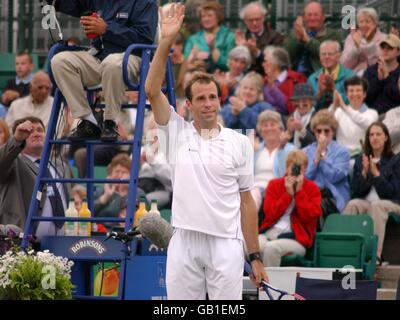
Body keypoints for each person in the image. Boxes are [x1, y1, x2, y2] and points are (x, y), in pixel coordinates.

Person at [145, 4, 267, 300]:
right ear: (190, 105)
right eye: (200, 98)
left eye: (213, 97)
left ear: (219, 100)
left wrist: (255, 256)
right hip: (183, 241)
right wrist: (165, 42)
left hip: (226, 243)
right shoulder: (176, 133)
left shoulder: (240, 141)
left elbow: (247, 204)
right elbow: (151, 90)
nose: (208, 103)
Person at [49, 0, 158, 141]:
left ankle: (110, 123)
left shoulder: (145, 2)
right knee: (59, 61)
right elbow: (75, 5)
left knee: (112, 63)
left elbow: (144, 39)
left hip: (132, 59)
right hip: (99, 57)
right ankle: (88, 121)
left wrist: (107, 29)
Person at [0, 117, 70, 239]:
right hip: (23, 241)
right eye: (30, 132)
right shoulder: (13, 162)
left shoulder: (59, 164)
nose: (36, 134)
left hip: (60, 241)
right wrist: (16, 140)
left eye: (40, 130)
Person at [343, 122, 400, 264]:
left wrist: (376, 175)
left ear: (386, 137)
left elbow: (393, 192)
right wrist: (364, 173)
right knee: (352, 204)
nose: (374, 138)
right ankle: (345, 251)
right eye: (371, 134)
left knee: (377, 206)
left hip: (392, 203)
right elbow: (356, 192)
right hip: (366, 202)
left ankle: (375, 255)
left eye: (378, 134)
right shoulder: (360, 160)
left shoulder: (395, 160)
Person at [258, 150, 322, 267]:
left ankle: (268, 284)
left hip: (296, 239)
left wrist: (299, 193)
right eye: (293, 168)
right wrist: (287, 194)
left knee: (272, 248)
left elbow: (309, 217)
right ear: (287, 168)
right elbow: (269, 214)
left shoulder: (312, 188)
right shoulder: (274, 184)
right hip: (270, 233)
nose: (295, 172)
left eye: (299, 168)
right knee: (251, 246)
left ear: (305, 170)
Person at [302, 110, 350, 216]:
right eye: (319, 131)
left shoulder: (342, 152)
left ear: (333, 132)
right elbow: (305, 177)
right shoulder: (305, 151)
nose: (322, 134)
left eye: (326, 131)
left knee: (314, 206)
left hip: (333, 197)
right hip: (311, 195)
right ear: (314, 132)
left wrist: (322, 154)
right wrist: (316, 158)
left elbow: (334, 177)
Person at [252, 110, 295, 211]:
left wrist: (281, 148)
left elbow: (286, 175)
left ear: (280, 128)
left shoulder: (290, 149)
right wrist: (249, 153)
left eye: (272, 124)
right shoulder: (255, 148)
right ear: (260, 130)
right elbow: (242, 177)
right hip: (253, 190)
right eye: (265, 125)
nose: (269, 128)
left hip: (275, 192)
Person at [284, 1, 342, 77]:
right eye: (309, 15)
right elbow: (285, 56)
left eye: (316, 14)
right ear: (304, 17)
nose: (312, 18)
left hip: (318, 76)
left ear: (323, 17)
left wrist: (307, 39)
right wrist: (297, 40)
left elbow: (324, 53)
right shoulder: (294, 33)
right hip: (294, 76)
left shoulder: (333, 34)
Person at [329, 76, 378, 159]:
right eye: (351, 91)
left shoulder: (372, 113)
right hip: (340, 156)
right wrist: (334, 105)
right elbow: (324, 122)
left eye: (358, 90)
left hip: (362, 157)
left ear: (364, 94)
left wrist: (344, 107)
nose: (355, 94)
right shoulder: (338, 112)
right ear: (347, 95)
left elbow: (366, 123)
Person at [184, 1, 235, 73]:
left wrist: (212, 51)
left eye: (209, 15)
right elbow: (184, 64)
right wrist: (194, 57)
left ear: (218, 17)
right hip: (197, 76)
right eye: (203, 16)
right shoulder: (193, 39)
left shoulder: (229, 37)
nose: (206, 19)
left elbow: (230, 64)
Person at [236, 1, 284, 75]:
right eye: (250, 20)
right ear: (245, 21)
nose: (254, 23)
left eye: (257, 19)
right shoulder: (241, 37)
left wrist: (257, 53)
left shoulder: (276, 37)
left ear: (263, 18)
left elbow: (277, 64)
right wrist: (239, 49)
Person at [308, 40, 354, 111]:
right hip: (319, 117)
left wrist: (334, 90)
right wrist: (320, 93)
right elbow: (308, 107)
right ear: (319, 57)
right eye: (323, 54)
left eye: (330, 54)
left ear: (338, 56)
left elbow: (353, 102)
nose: (326, 57)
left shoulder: (350, 76)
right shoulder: (312, 79)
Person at [340, 8, 386, 75]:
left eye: (367, 21)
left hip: (377, 76)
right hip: (354, 77)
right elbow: (344, 65)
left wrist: (368, 43)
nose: (364, 25)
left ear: (375, 23)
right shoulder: (351, 38)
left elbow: (380, 63)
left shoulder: (384, 38)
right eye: (361, 22)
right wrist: (356, 48)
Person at [262, 46, 307, 115]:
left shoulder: (296, 79)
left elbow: (292, 109)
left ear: (276, 64)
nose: (263, 65)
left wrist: (272, 89)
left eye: (265, 61)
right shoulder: (264, 81)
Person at [363, 33, 400, 115]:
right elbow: (365, 98)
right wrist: (378, 81)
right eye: (382, 47)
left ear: (398, 52)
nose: (385, 50)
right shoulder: (371, 70)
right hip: (372, 115)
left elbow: (397, 99)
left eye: (390, 47)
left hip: (394, 117)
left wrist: (387, 77)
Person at [285, 83, 316, 149]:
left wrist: (302, 130)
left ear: (311, 102)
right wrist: (289, 132)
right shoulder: (289, 118)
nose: (301, 105)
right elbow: (283, 145)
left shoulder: (318, 118)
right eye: (297, 101)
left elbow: (317, 143)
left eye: (304, 102)